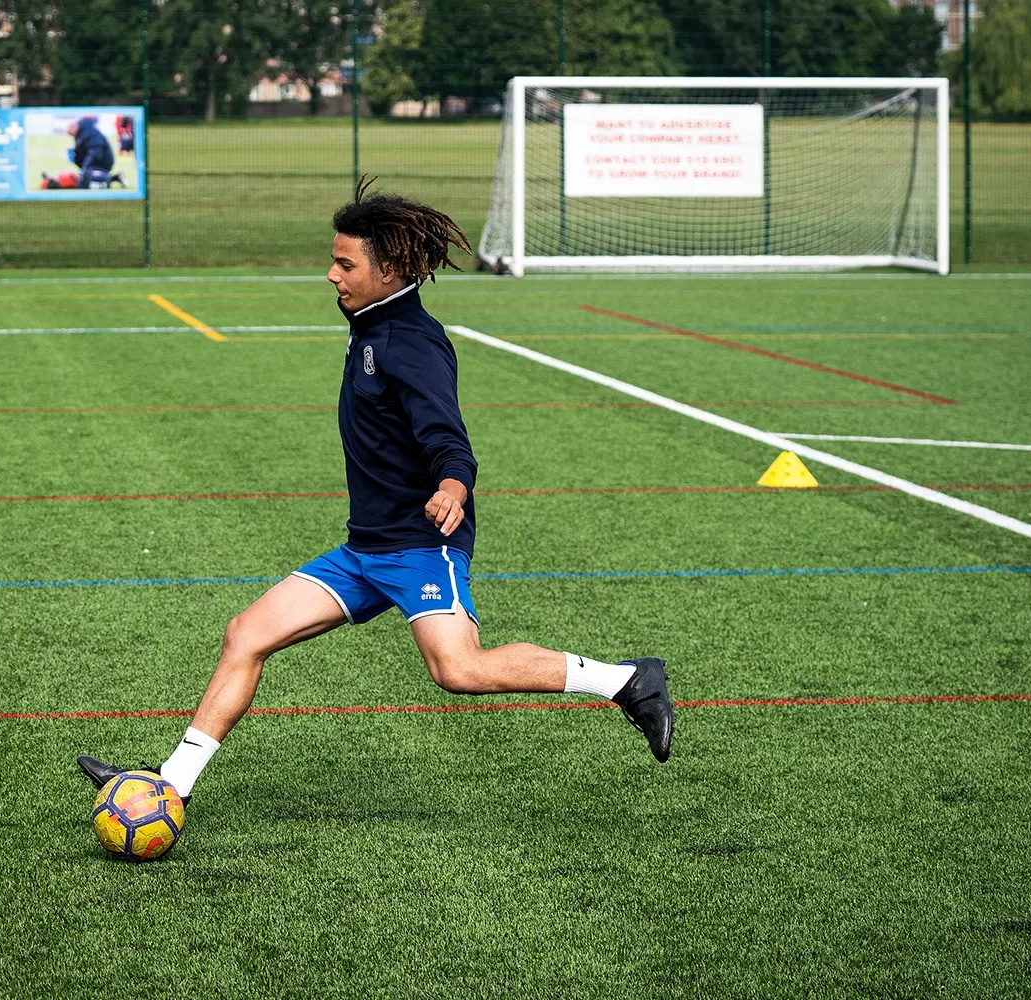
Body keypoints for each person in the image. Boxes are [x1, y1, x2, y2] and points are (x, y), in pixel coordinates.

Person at [78, 180, 673, 805]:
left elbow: (449, 436)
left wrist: (453, 483)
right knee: (245, 635)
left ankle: (627, 680)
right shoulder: (370, 326)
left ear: (388, 270)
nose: (330, 275)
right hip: (365, 549)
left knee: (458, 670)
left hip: (420, 545)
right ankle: (171, 785)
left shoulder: (410, 343)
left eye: (345, 264)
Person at [66, 116, 118, 189]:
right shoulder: (81, 133)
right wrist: (75, 155)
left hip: (102, 162)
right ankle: (114, 178)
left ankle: (109, 179)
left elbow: (95, 153)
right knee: (84, 178)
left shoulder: (90, 133)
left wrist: (84, 168)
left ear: (75, 127)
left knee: (85, 182)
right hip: (95, 162)